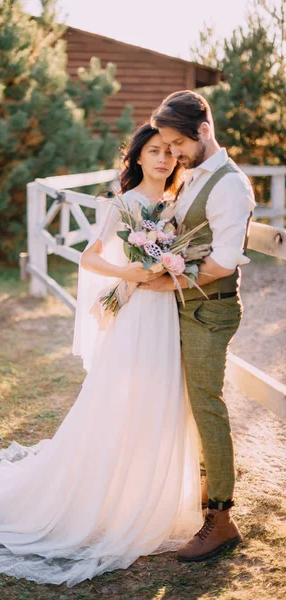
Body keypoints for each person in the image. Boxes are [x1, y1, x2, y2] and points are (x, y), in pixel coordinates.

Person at [0, 124, 204, 587]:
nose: (162, 159)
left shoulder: (178, 203)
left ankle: (149, 494)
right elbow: (89, 258)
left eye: (169, 153)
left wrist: (172, 263)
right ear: (136, 158)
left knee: (162, 400)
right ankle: (106, 499)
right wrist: (129, 271)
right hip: (137, 313)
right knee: (121, 403)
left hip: (167, 315)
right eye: (153, 151)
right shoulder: (124, 204)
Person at [140, 90, 255, 562]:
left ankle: (221, 518)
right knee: (185, 403)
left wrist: (164, 284)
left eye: (176, 144)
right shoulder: (194, 176)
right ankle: (203, 489)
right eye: (164, 145)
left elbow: (224, 261)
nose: (172, 154)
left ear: (203, 131)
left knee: (207, 405)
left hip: (209, 309)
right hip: (188, 303)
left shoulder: (228, 185)